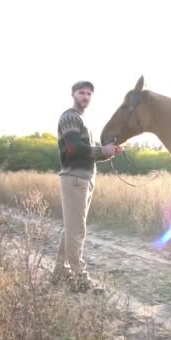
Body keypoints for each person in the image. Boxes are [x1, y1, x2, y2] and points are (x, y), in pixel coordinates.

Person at [51, 80, 122, 292]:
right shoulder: (70, 116)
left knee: (71, 229)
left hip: (84, 178)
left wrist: (108, 153)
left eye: (89, 94)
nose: (86, 97)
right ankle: (81, 279)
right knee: (76, 231)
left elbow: (87, 153)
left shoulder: (83, 120)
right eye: (82, 93)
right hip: (75, 179)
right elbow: (73, 149)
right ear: (73, 94)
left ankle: (59, 273)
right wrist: (103, 150)